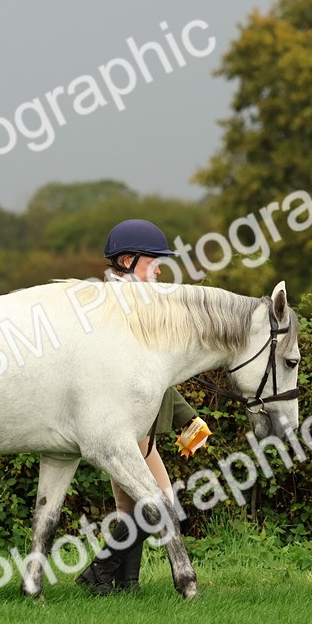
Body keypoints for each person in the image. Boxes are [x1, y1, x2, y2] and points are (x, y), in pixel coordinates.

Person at [75, 219, 205, 595]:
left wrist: (188, 418)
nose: (161, 269)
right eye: (154, 261)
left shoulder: (138, 305)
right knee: (161, 502)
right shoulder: (114, 310)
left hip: (137, 426)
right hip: (122, 425)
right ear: (129, 260)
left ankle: (121, 583)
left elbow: (155, 379)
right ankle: (99, 573)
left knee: (132, 509)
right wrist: (186, 419)